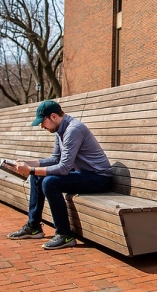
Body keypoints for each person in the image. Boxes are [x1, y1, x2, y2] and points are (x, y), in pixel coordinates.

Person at [7, 100, 112, 249]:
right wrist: (29, 163)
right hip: (82, 174)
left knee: (50, 182)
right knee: (38, 176)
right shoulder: (60, 130)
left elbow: (63, 168)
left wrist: (29, 170)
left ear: (54, 116)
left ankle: (65, 235)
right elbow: (55, 159)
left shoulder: (73, 130)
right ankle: (34, 226)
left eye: (43, 122)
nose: (42, 126)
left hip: (99, 177)